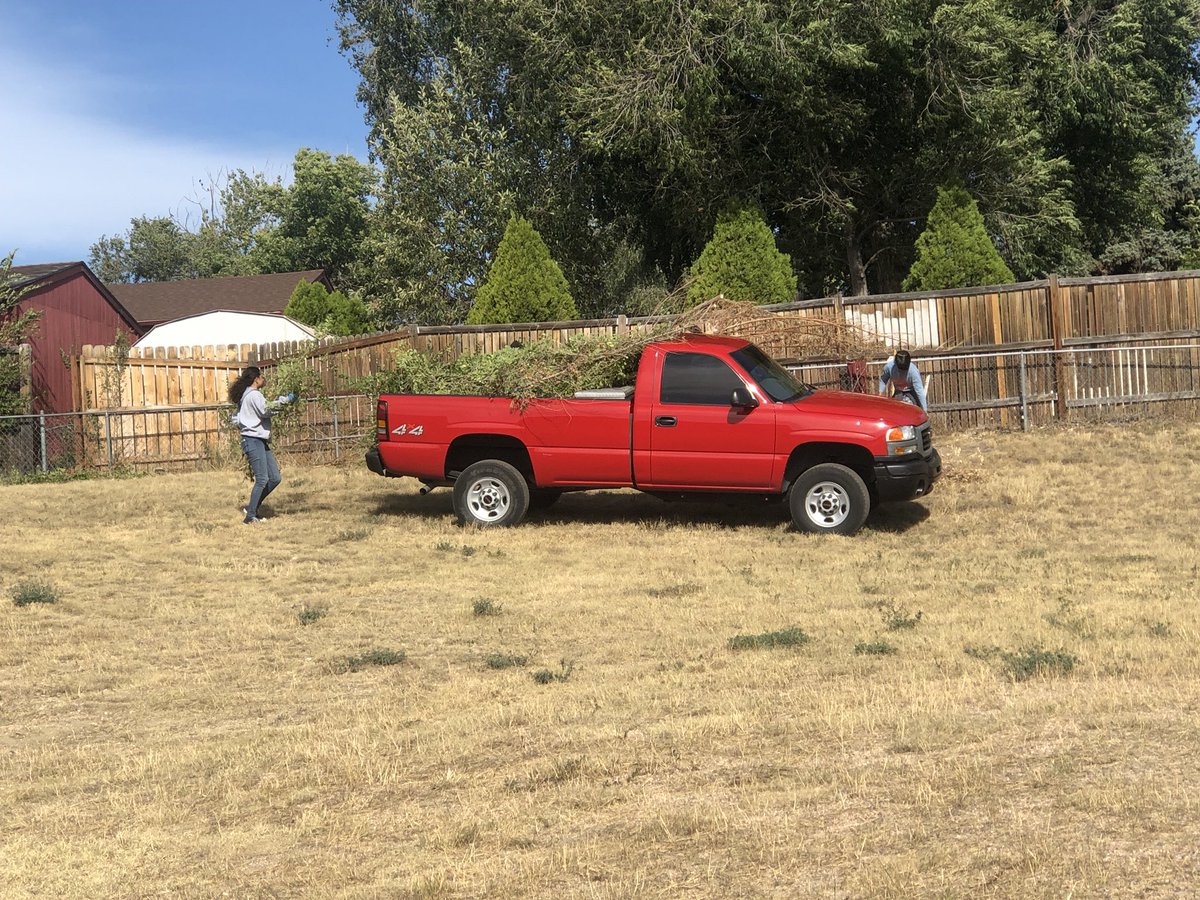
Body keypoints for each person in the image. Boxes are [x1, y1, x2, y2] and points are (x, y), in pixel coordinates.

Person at [228, 366, 295, 524]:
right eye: (261, 377)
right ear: (255, 379)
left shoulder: (245, 396)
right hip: (253, 440)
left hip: (258, 439)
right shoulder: (254, 395)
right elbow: (266, 410)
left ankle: (252, 506)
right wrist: (285, 401)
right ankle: (250, 516)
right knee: (263, 479)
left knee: (275, 478)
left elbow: (236, 418)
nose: (263, 379)